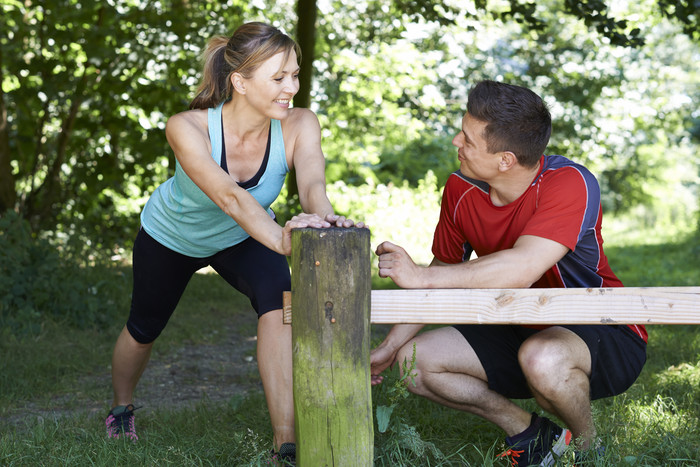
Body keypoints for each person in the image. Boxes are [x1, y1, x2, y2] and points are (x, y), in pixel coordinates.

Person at [104, 22, 363, 464]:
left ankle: (285, 443)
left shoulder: (300, 124)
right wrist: (284, 240)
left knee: (280, 306)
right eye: (279, 78)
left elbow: (313, 184)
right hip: (173, 236)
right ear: (240, 82)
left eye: (295, 75)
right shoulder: (187, 127)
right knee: (144, 329)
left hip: (243, 236)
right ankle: (121, 408)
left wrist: (324, 219)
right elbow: (228, 197)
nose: (292, 88)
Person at [370, 80, 647, 466]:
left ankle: (586, 449)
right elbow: (444, 270)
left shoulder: (570, 183)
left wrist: (420, 276)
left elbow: (521, 267)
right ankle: (535, 436)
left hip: (602, 329)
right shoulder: (460, 189)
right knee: (413, 362)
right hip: (516, 320)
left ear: (506, 160)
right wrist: (387, 347)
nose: (456, 142)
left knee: (543, 358)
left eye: (467, 139)